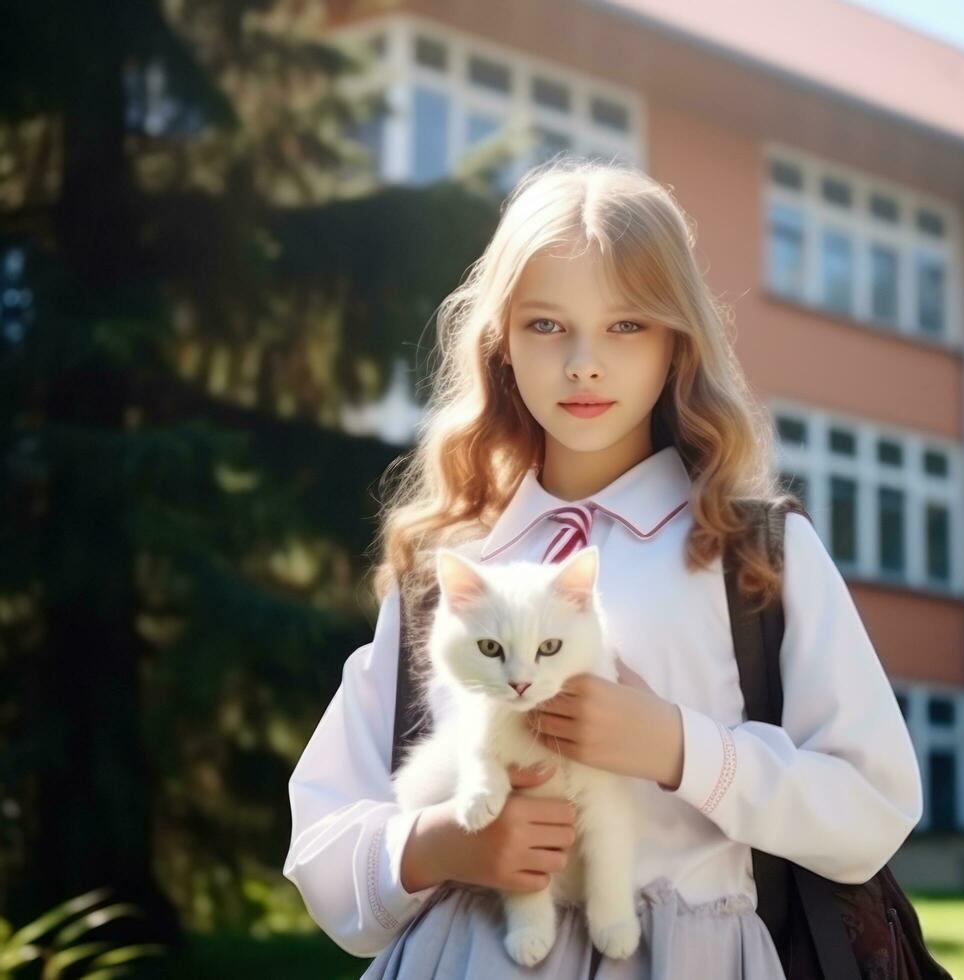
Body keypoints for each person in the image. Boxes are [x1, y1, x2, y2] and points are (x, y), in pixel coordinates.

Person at [282, 155, 924, 978]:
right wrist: (442, 843)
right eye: (547, 324)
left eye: (627, 324)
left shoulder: (755, 553)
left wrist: (680, 748)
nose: (584, 363)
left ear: (676, 345)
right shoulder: (449, 573)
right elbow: (322, 847)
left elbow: (874, 809)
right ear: (501, 345)